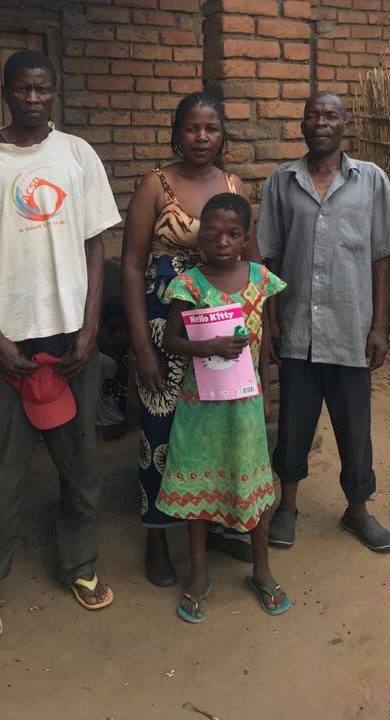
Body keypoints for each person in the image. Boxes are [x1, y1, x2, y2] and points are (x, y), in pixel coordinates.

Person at [0, 49, 121, 641]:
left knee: (82, 463)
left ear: (54, 92)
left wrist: (91, 327)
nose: (35, 98)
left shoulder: (76, 154)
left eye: (44, 88)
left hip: (71, 338)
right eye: (24, 89)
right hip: (6, 339)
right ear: (6, 91)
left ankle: (80, 564)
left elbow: (96, 245)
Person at [256, 92, 390, 553]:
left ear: (345, 124)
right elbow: (269, 258)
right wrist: (272, 321)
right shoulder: (282, 182)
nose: (320, 122)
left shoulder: (372, 181)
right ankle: (287, 506)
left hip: (351, 331)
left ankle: (357, 510)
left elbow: (382, 256)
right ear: (302, 125)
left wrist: (379, 326)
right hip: (299, 331)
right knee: (293, 427)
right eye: (313, 115)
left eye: (330, 116)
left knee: (354, 429)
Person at [121, 91, 257, 587]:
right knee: (161, 432)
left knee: (215, 427)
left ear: (223, 135)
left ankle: (216, 523)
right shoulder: (155, 185)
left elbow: (253, 263)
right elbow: (133, 266)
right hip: (166, 326)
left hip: (221, 327)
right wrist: (141, 347)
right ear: (176, 131)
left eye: (212, 128)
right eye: (192, 128)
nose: (202, 137)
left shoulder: (232, 184)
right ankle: (157, 537)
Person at [159, 193, 289, 622]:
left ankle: (262, 571)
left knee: (253, 488)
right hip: (199, 408)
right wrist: (209, 345)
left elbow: (267, 340)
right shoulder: (189, 284)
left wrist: (267, 398)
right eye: (212, 233)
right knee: (199, 488)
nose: (222, 241)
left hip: (246, 407)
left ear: (246, 237)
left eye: (233, 234)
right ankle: (198, 574)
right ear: (200, 239)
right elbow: (171, 340)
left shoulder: (261, 278)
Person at [96, 296, 130, 441]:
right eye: (112, 331)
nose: (118, 336)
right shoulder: (103, 354)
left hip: (122, 416)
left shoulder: (133, 356)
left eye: (124, 330)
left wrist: (124, 424)